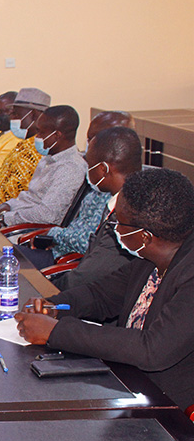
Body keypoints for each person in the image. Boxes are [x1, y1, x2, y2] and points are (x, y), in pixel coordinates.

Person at [16, 168, 194, 411]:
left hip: (170, 410)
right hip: (128, 385)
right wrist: (55, 306)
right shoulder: (149, 261)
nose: (113, 228)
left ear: (144, 236)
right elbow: (100, 296)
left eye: (118, 222)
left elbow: (152, 348)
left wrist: (56, 332)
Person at [50, 126, 144, 290]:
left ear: (103, 169)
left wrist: (46, 291)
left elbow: (88, 275)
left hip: (97, 297)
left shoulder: (126, 216)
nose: (86, 170)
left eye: (89, 164)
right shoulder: (121, 201)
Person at [35, 111, 136, 260]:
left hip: (67, 261)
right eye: (90, 139)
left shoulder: (122, 196)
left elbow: (89, 242)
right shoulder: (98, 182)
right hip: (59, 250)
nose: (93, 144)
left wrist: (54, 234)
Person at [0, 105, 84, 227]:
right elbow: (31, 197)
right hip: (16, 219)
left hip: (28, 230)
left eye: (41, 133)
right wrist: (9, 205)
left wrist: (5, 219)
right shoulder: (48, 158)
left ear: (57, 136)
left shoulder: (70, 169)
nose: (37, 137)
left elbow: (47, 214)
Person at [0, 87, 50, 206]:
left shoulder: (37, 150)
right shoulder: (23, 144)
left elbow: (10, 194)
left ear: (34, 115)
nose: (12, 119)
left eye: (15, 114)